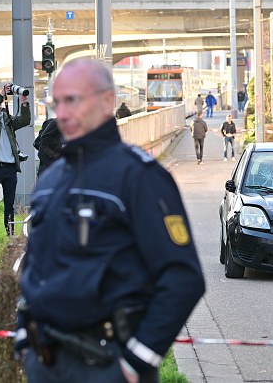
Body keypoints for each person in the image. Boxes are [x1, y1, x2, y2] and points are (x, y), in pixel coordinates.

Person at [16, 58, 205, 383]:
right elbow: (34, 266)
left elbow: (183, 278)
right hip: (46, 363)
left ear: (107, 101)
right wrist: (24, 340)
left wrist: (136, 361)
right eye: (56, 102)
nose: (61, 113)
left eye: (73, 100)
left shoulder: (139, 177)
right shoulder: (50, 181)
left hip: (108, 365)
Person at [0, 84, 31, 240]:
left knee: (9, 204)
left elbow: (24, 120)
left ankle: (10, 233)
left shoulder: (7, 119)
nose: (0, 104)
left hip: (10, 167)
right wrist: (1, 94)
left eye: (1, 101)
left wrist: (24, 103)